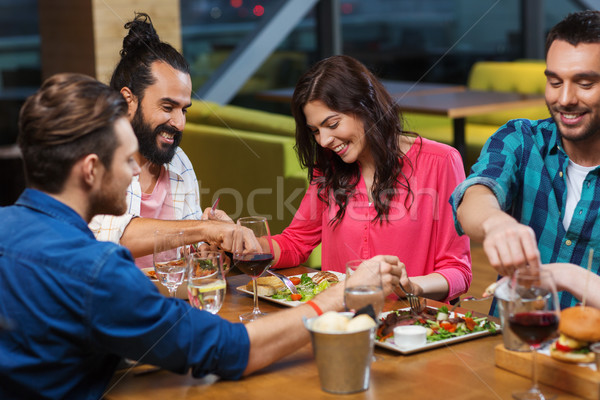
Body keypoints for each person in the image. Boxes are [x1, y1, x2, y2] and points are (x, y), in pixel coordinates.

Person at [0, 73, 405, 399]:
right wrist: (337, 296)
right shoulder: (96, 271)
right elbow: (232, 350)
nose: (132, 173)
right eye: (126, 161)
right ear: (90, 170)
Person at [269, 55, 472, 303]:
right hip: (341, 325)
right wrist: (240, 244)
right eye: (315, 131)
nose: (323, 141)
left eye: (332, 124)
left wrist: (409, 286)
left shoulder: (441, 162)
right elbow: (295, 243)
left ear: (366, 106)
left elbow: (459, 271)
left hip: (408, 328)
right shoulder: (330, 168)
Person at [451, 10, 600, 310]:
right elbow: (476, 194)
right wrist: (495, 223)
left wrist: (568, 276)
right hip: (512, 345)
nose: (565, 98)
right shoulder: (521, 138)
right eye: (555, 82)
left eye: (584, 83)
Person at [89, 12, 230, 268]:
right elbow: (112, 238)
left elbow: (190, 248)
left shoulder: (179, 163)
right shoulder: (95, 158)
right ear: (127, 101)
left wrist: (210, 250)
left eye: (184, 109)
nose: (180, 123)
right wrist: (202, 229)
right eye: (167, 107)